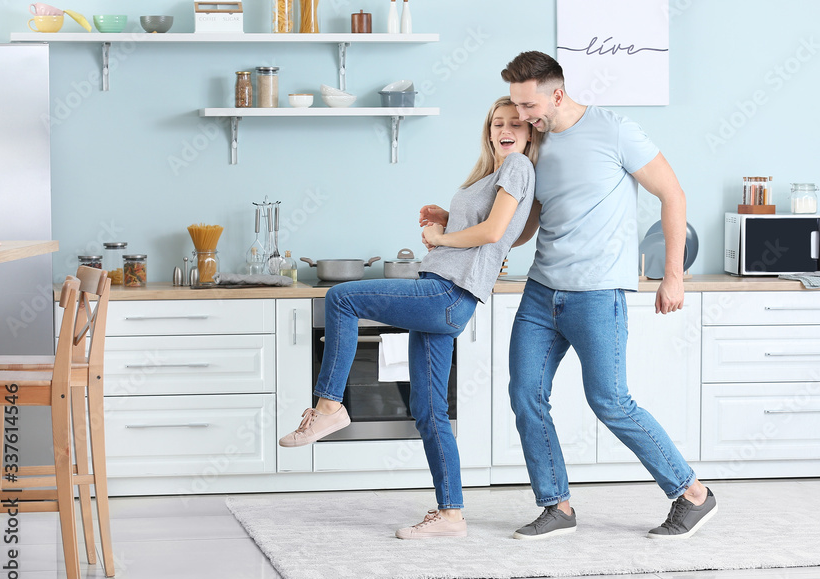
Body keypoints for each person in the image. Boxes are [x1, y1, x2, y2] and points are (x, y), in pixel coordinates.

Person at [278, 96, 538, 540]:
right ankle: (451, 515)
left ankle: (329, 407)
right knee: (430, 410)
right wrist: (448, 216)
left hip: (445, 293)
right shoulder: (496, 175)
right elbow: (505, 229)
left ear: (531, 131)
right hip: (451, 295)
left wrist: (441, 234)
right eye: (497, 122)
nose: (505, 129)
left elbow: (494, 233)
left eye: (515, 122)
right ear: (488, 129)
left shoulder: (518, 167)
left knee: (341, 298)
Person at [501, 51, 716, 540]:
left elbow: (673, 193)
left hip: (597, 294)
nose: (522, 116)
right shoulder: (536, 145)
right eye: (516, 106)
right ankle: (557, 506)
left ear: (557, 94)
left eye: (529, 105)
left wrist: (673, 275)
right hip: (540, 293)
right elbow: (528, 224)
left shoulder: (614, 130)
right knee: (525, 396)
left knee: (610, 401)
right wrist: (465, 233)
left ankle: (692, 493)